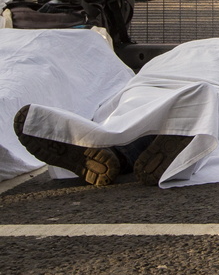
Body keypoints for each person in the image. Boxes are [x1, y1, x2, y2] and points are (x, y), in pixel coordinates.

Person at [13, 33, 219, 188]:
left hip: (157, 78)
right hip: (218, 81)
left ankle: (107, 148)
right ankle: (175, 143)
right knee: (211, 103)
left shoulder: (185, 48)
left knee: (134, 106)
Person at [0, 28, 133, 182]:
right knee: (149, 112)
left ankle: (117, 152)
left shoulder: (84, 38)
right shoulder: (85, 38)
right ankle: (125, 153)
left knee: (149, 112)